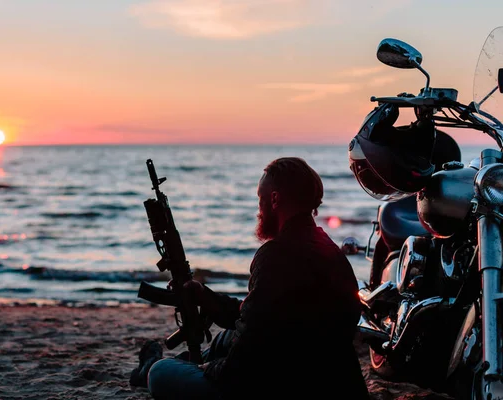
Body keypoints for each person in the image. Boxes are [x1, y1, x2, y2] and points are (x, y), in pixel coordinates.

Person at [130, 157, 369, 399]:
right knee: (225, 338)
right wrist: (206, 297)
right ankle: (164, 365)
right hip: (328, 378)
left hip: (279, 383)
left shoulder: (276, 255)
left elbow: (243, 360)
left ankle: (152, 366)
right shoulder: (330, 251)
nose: (258, 210)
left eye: (260, 199)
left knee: (161, 373)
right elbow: (261, 316)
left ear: (275, 199)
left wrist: (209, 368)